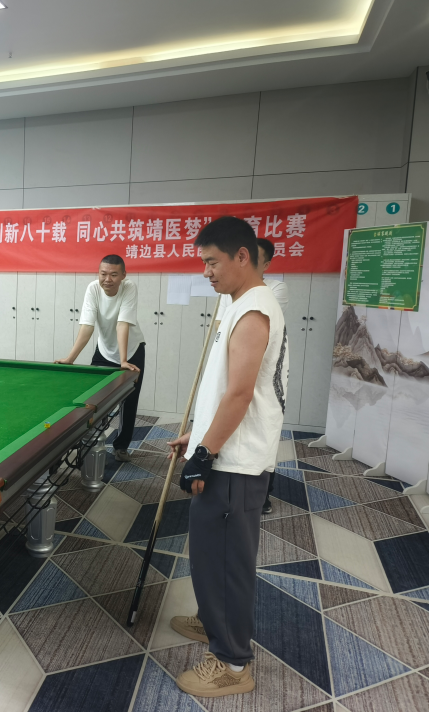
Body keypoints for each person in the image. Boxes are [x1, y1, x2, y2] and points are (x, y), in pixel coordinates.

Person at [166, 216, 288, 698]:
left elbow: (240, 395)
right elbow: (224, 389)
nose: (206, 271)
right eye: (203, 262)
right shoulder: (238, 303)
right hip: (225, 450)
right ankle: (212, 619)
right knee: (210, 553)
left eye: (212, 261)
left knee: (226, 561)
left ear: (242, 256)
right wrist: (198, 435)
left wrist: (205, 453)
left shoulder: (255, 310)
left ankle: (233, 662)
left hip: (234, 462)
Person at [214, 237, 289, 515]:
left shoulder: (270, 292)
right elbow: (221, 328)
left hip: (259, 372)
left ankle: (262, 494)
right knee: (230, 426)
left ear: (265, 264)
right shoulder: (230, 291)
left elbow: (249, 327)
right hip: (235, 364)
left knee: (259, 431)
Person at [55, 255, 145, 462]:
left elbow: (122, 324)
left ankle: (121, 447)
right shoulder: (93, 289)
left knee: (129, 400)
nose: (107, 279)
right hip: (104, 350)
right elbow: (87, 326)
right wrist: (70, 358)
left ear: (123, 275)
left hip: (132, 350)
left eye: (114, 275)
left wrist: (123, 360)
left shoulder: (129, 288)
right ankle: (88, 441)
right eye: (103, 274)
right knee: (94, 399)